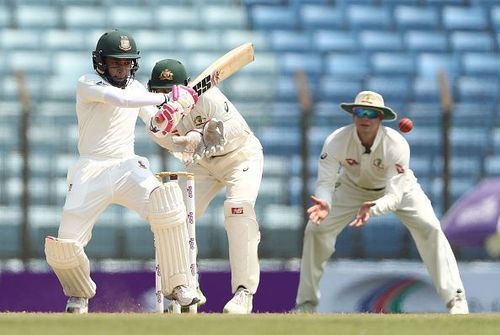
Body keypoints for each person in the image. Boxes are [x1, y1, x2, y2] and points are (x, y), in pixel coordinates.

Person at [44, 29, 201, 313]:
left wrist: (178, 124)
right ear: (101, 62)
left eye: (127, 62)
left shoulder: (138, 88)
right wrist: (167, 99)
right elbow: (120, 100)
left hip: (127, 166)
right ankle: (79, 295)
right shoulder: (87, 83)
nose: (122, 67)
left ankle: (179, 286)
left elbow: (156, 125)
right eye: (115, 61)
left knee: (167, 203)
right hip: (91, 168)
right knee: (64, 246)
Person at [293, 91, 469, 314]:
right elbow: (326, 182)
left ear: (381, 118)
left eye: (371, 113)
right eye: (360, 112)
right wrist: (325, 203)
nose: (365, 118)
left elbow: (394, 196)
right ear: (353, 115)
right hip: (350, 188)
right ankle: (307, 303)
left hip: (400, 190)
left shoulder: (396, 144)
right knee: (316, 230)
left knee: (430, 227)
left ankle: (456, 299)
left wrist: (373, 209)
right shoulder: (337, 140)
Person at [147, 59, 264, 314]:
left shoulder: (207, 95)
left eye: (170, 91)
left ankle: (244, 293)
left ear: (184, 88)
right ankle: (188, 288)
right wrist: (187, 142)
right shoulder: (155, 120)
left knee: (238, 210)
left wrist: (204, 133)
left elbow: (234, 128)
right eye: (159, 92)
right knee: (175, 214)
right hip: (202, 163)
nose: (165, 97)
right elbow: (172, 142)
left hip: (240, 156)